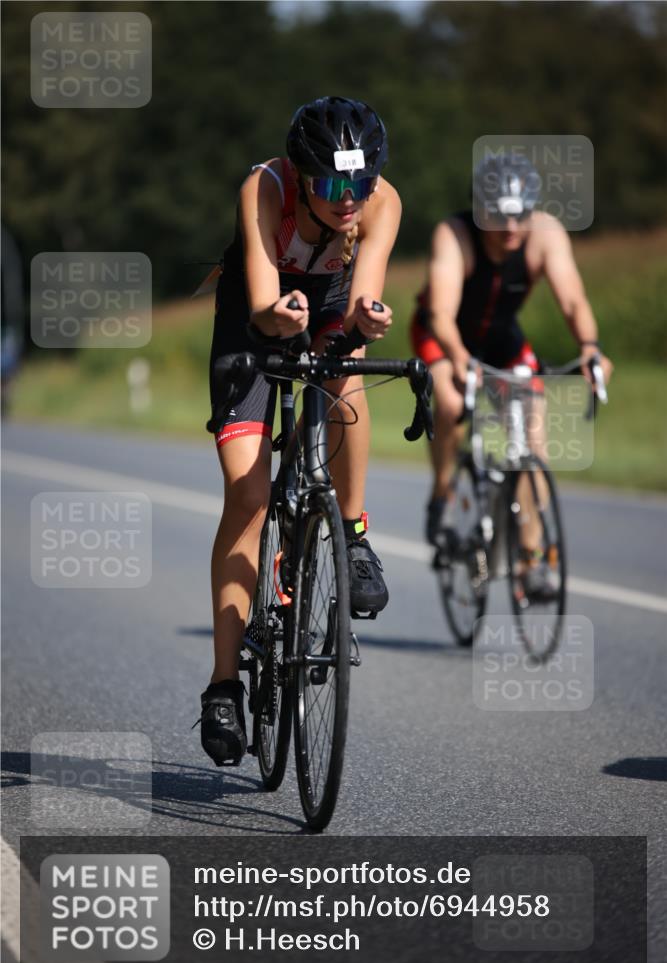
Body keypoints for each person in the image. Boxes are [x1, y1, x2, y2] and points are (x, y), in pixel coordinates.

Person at [199, 96, 401, 766]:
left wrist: (364, 325)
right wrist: (276, 318)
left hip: (327, 303)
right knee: (250, 497)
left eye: (361, 182)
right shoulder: (264, 187)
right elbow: (260, 304)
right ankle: (223, 685)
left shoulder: (380, 204)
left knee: (347, 377)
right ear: (300, 172)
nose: (350, 199)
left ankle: (350, 532)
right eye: (334, 185)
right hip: (255, 311)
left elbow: (359, 301)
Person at [410, 153, 613, 594]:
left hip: (503, 338)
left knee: (531, 440)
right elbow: (441, 313)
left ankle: (531, 561)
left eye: (521, 216)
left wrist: (590, 349)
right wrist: (460, 360)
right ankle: (442, 495)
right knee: (448, 399)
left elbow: (573, 301)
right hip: (443, 335)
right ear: (479, 211)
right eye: (499, 218)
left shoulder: (545, 235)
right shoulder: (454, 234)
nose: (511, 230)